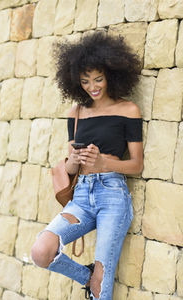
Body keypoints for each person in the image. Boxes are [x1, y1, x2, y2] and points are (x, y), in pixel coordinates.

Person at [31, 31, 143, 300]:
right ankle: (88, 277)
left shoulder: (128, 110)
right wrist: (72, 162)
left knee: (101, 288)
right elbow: (69, 168)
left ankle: (97, 283)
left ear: (111, 75)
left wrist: (105, 162)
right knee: (41, 251)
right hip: (81, 197)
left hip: (112, 197)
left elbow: (137, 165)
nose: (92, 86)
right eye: (84, 81)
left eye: (98, 79)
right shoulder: (76, 113)